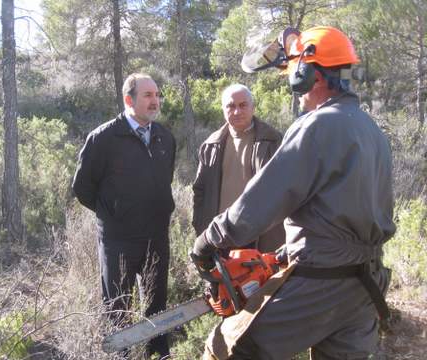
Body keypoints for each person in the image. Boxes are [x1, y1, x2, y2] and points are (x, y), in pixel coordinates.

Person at [193, 26, 396, 359]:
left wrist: (209, 240)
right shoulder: (369, 127)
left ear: (310, 75)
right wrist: (289, 250)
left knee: (225, 348)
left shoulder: (317, 125)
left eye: (294, 72)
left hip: (322, 282)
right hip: (364, 282)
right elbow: (343, 209)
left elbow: (260, 202)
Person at [72, 73, 175, 359]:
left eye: (157, 95)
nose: (155, 101)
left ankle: (157, 354)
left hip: (156, 237)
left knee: (158, 305)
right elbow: (82, 188)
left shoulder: (164, 137)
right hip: (119, 240)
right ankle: (123, 356)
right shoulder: (103, 138)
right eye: (148, 95)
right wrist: (114, 213)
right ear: (129, 99)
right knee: (118, 306)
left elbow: (164, 179)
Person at [192, 84, 284, 252]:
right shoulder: (211, 145)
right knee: (219, 279)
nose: (237, 111)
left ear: (253, 107)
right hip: (220, 236)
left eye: (243, 105)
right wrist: (201, 229)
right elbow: (200, 191)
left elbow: (286, 191)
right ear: (223, 109)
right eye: (231, 106)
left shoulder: (273, 141)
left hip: (260, 237)